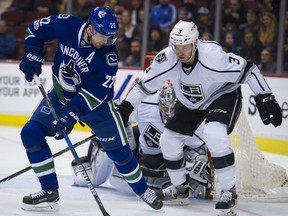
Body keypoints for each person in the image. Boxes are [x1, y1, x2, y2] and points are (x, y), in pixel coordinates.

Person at [118, 20, 282, 216]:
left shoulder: (214, 57)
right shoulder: (167, 59)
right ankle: (180, 189)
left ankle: (229, 192)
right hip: (191, 102)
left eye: (185, 46)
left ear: (195, 43)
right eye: (176, 46)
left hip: (222, 95)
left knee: (214, 134)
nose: (180, 51)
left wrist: (266, 97)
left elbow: (249, 69)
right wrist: (126, 107)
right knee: (168, 140)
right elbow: (143, 86)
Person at [18, 6, 162, 212]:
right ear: (90, 28)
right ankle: (50, 191)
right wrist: (32, 54)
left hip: (98, 107)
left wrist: (69, 117)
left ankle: (143, 191)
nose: (107, 42)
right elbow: (34, 30)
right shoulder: (66, 24)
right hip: (60, 97)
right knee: (31, 134)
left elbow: (93, 95)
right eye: (103, 36)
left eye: (112, 37)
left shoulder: (109, 56)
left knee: (120, 153)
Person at [71, 84, 211, 205]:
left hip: (167, 163)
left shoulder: (192, 119)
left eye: (172, 110)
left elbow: (201, 150)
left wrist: (198, 162)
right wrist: (106, 127)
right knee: (114, 139)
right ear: (159, 102)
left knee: (170, 184)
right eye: (165, 108)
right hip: (144, 152)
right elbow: (121, 119)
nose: (168, 113)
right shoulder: (146, 102)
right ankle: (94, 166)